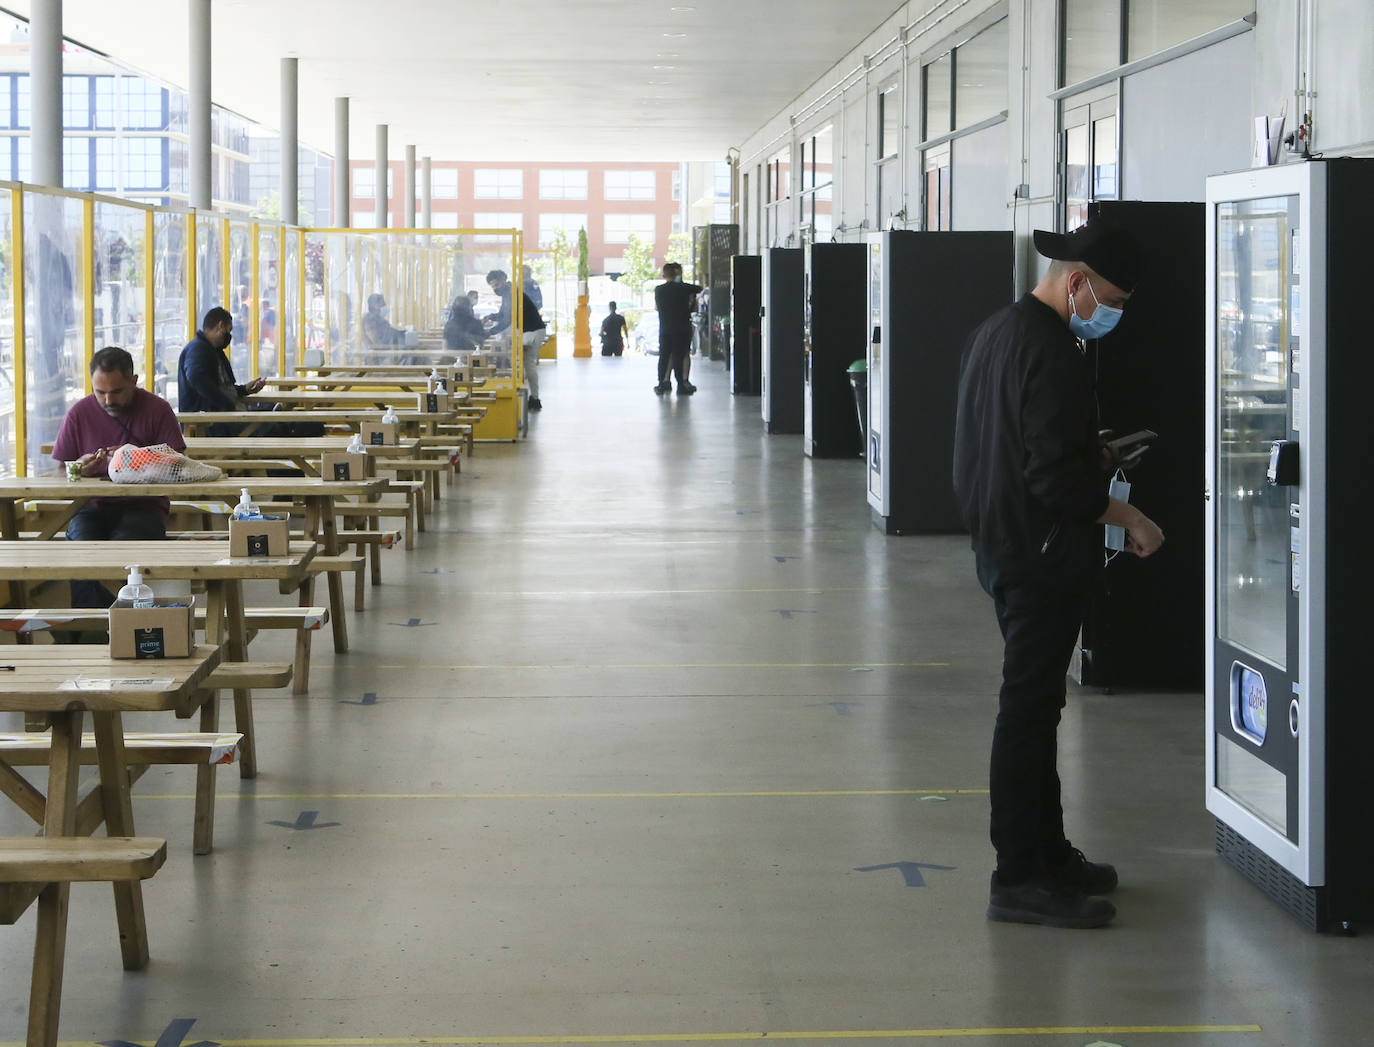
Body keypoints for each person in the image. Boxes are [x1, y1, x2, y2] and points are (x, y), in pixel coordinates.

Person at [952, 218, 1165, 930]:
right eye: (1113, 301)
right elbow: (1049, 479)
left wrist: (1088, 447)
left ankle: (1046, 853)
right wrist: (1128, 517)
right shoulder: (1051, 351)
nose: (1114, 315)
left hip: (1005, 548)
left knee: (1039, 709)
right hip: (1039, 556)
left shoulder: (998, 333)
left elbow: (1010, 445)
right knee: (1026, 713)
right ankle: (1017, 875)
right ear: (1076, 283)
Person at [51, 346, 187, 607]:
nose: (107, 400)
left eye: (116, 392)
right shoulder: (79, 413)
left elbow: (179, 464)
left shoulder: (157, 409)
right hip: (88, 507)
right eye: (99, 392)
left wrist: (136, 459)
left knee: (122, 553)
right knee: (82, 552)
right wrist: (78, 467)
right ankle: (90, 631)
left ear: (134, 382)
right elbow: (60, 471)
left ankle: (123, 629)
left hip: (145, 507)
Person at [485, 269, 547, 411]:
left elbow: (507, 320)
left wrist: (490, 332)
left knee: (527, 364)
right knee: (525, 363)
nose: (495, 288)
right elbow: (503, 314)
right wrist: (490, 317)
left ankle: (532, 397)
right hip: (528, 331)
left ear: (503, 280)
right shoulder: (509, 293)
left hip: (533, 332)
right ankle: (532, 397)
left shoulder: (512, 294)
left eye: (496, 284)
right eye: (492, 286)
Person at [653, 262, 702, 395]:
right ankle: (681, 384)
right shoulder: (682, 288)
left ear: (663, 275)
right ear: (676, 274)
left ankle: (661, 383)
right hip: (682, 329)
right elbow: (699, 288)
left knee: (664, 357)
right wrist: (679, 280)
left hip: (665, 330)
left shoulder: (659, 289)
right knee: (679, 356)